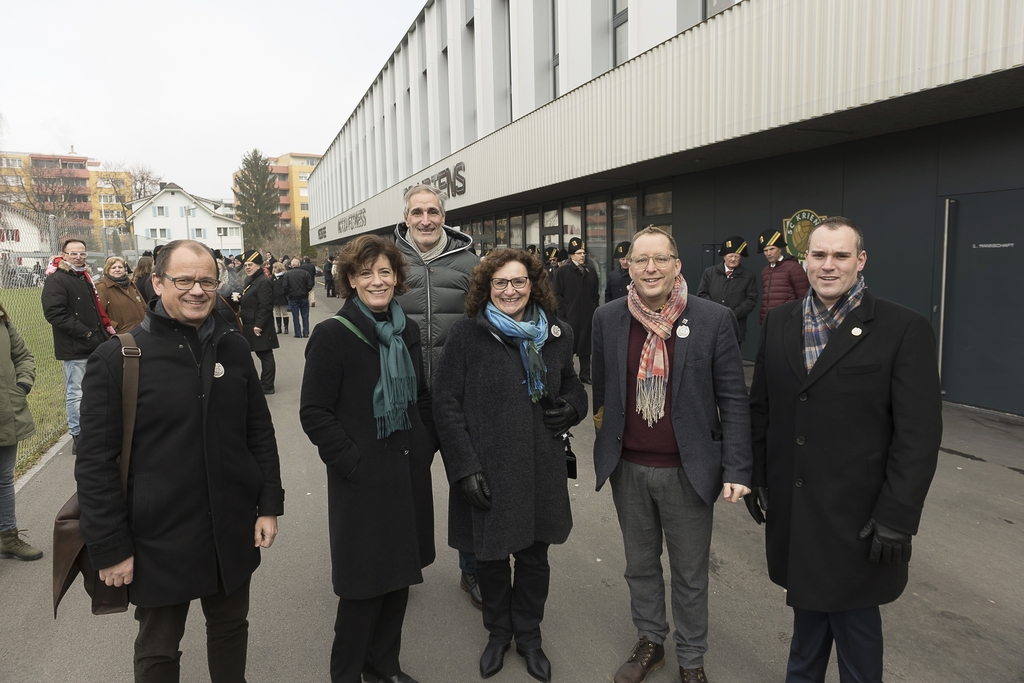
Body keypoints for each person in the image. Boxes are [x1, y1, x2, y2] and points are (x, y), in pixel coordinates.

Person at [76, 239, 284, 683]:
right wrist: (110, 549)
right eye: (184, 280)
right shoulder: (119, 359)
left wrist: (268, 503)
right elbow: (95, 463)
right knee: (158, 651)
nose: (197, 290)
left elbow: (258, 433)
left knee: (230, 629)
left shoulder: (232, 348)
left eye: (207, 280)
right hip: (157, 536)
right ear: (157, 282)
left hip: (230, 527)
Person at [747, 217, 942, 683]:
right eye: (818, 255)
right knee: (808, 626)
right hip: (796, 508)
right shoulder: (780, 322)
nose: (828, 265)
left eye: (840, 255)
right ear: (805, 260)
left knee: (856, 634)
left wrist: (898, 516)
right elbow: (763, 409)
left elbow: (918, 435)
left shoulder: (902, 328)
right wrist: (758, 474)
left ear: (861, 260)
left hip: (861, 518)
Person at [591, 226, 751, 683]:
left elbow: (734, 400)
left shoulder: (714, 319)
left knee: (689, 574)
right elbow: (603, 391)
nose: (650, 268)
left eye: (661, 259)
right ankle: (650, 641)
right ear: (628, 266)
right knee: (639, 567)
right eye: (641, 260)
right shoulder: (608, 318)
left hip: (688, 470)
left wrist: (737, 466)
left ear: (677, 265)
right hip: (629, 469)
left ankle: (692, 657)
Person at [434, 249, 587, 683]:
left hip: (541, 467)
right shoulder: (467, 335)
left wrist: (573, 408)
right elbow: (446, 405)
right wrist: (464, 467)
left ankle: (530, 637)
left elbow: (574, 386)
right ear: (486, 287)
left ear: (533, 285)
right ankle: (498, 635)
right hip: (488, 468)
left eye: (519, 282)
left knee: (535, 558)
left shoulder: (558, 333)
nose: (510, 290)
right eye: (500, 283)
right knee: (492, 558)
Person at [299, 235, 434, 683]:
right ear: (350, 280)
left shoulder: (405, 330)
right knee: (361, 589)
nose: (377, 281)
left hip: (406, 471)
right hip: (360, 479)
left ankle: (384, 666)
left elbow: (418, 398)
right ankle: (348, 672)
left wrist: (425, 446)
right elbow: (314, 412)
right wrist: (349, 461)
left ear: (397, 278)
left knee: (398, 581)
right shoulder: (333, 335)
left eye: (385, 272)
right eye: (366, 273)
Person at [393, 184, 482, 609]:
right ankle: (400, 568)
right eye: (417, 212)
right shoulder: (388, 261)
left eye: (433, 211)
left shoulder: (469, 263)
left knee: (469, 482)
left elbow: (488, 322)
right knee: (403, 488)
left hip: (458, 396)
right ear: (406, 217)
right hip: (405, 397)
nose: (425, 219)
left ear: (444, 215)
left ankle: (474, 568)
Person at [41, 239, 113, 455]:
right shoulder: (58, 279)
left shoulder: (83, 277)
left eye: (82, 253)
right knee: (77, 392)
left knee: (96, 389)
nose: (79, 257)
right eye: (74, 254)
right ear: (63, 255)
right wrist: (86, 332)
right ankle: (78, 435)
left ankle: (95, 430)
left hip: (95, 343)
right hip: (76, 346)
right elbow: (54, 313)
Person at [0, 300, 42, 561]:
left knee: (4, 479)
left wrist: (22, 385)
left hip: (7, 411)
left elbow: (23, 356)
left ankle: (7, 536)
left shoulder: (2, 319)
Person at [553, 237, 599, 384]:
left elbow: (595, 293)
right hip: (570, 317)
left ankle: (585, 375)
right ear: (572, 255)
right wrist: (565, 311)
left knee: (586, 347)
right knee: (569, 348)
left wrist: (593, 307)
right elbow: (556, 294)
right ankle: (568, 375)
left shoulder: (590, 271)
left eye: (583, 253)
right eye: (579, 253)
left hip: (587, 316)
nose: (582, 255)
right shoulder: (563, 272)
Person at [695, 236, 758, 344]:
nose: (733, 259)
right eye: (730, 256)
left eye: (736, 256)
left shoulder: (749, 276)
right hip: (712, 323)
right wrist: (715, 312)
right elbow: (702, 294)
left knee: (733, 357)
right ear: (724, 256)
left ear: (741, 257)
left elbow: (751, 300)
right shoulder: (709, 272)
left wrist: (732, 314)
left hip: (736, 324)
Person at [239, 250, 278, 394]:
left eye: (250, 264)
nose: (247, 267)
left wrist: (259, 325)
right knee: (255, 354)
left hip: (258, 325)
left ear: (258, 265)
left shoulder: (263, 282)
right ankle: (260, 382)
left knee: (265, 354)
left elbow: (266, 306)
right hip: (250, 324)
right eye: (245, 265)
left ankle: (267, 385)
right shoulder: (252, 281)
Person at [758, 228, 809, 324]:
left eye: (772, 249)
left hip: (787, 320)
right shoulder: (765, 271)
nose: (769, 253)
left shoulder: (793, 267)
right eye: (765, 250)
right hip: (768, 321)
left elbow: (803, 297)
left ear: (780, 249)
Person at [96, 256, 147, 333]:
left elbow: (143, 305)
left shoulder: (130, 284)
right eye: (113, 268)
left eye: (120, 267)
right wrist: (114, 326)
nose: (117, 270)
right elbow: (100, 312)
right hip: (122, 334)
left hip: (141, 330)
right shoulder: (102, 287)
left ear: (124, 269)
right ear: (107, 270)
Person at [283, 258, 314, 337]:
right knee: (305, 315)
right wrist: (306, 291)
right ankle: (306, 332)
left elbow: (285, 286)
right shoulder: (305, 273)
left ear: (291, 265)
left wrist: (288, 293)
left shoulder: (287, 274)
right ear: (299, 264)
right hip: (303, 296)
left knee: (295, 316)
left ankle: (298, 333)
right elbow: (310, 284)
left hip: (293, 297)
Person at [271, 262, 290, 335]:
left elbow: (286, 286)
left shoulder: (284, 276)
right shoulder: (273, 277)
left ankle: (286, 328)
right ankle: (279, 328)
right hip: (275, 297)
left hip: (282, 297)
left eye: (275, 268)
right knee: (277, 313)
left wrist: (284, 293)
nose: (274, 269)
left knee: (284, 312)